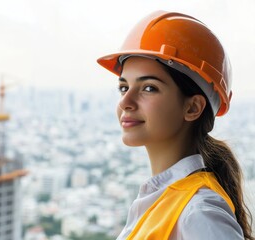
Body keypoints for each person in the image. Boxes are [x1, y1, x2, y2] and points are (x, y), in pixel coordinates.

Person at [97, 10, 253, 240]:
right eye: (123, 87)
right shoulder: (163, 200)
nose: (125, 102)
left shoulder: (198, 212)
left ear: (192, 108)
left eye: (149, 88)